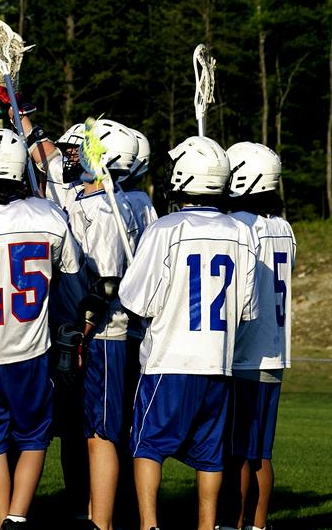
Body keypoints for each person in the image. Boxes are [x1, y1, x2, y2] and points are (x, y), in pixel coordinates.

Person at [119, 136, 258, 530]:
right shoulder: (241, 232)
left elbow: (138, 302)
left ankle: (149, 524)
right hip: (219, 360)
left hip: (170, 357)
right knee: (211, 453)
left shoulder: (166, 228)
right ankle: (207, 524)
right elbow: (246, 309)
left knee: (148, 445)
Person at [0, 130, 84, 528]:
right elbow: (72, 283)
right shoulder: (48, 217)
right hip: (29, 350)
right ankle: (17, 517)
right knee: (34, 438)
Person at [65, 118, 139, 530]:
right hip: (99, 334)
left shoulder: (111, 208)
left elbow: (106, 283)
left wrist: (79, 334)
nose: (80, 156)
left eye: (89, 150)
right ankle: (96, 513)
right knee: (93, 430)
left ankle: (102, 521)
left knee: (102, 432)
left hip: (106, 334)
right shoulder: (118, 201)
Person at [219, 142, 295, 530]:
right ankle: (259, 524)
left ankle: (233, 523)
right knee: (260, 452)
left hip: (246, 352)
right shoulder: (283, 226)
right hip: (274, 352)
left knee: (236, 452)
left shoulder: (243, 226)